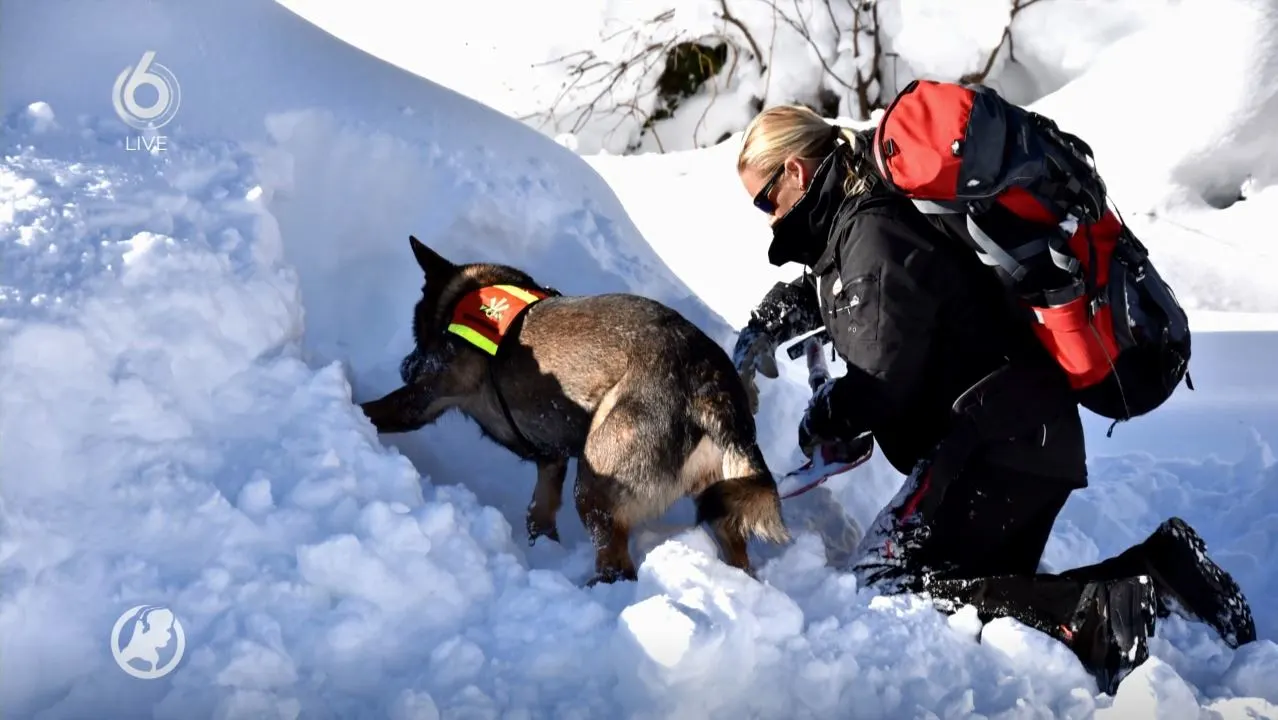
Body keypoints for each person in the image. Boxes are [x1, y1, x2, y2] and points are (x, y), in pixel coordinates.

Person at [732, 104, 1256, 694]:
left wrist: (827, 413)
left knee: (891, 588)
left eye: (764, 200)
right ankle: (1160, 573)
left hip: (996, 444)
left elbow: (883, 373)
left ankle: (1117, 608)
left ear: (797, 173)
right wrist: (774, 318)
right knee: (965, 588)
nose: (767, 219)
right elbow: (855, 289)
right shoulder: (867, 221)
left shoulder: (871, 229)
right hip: (1017, 437)